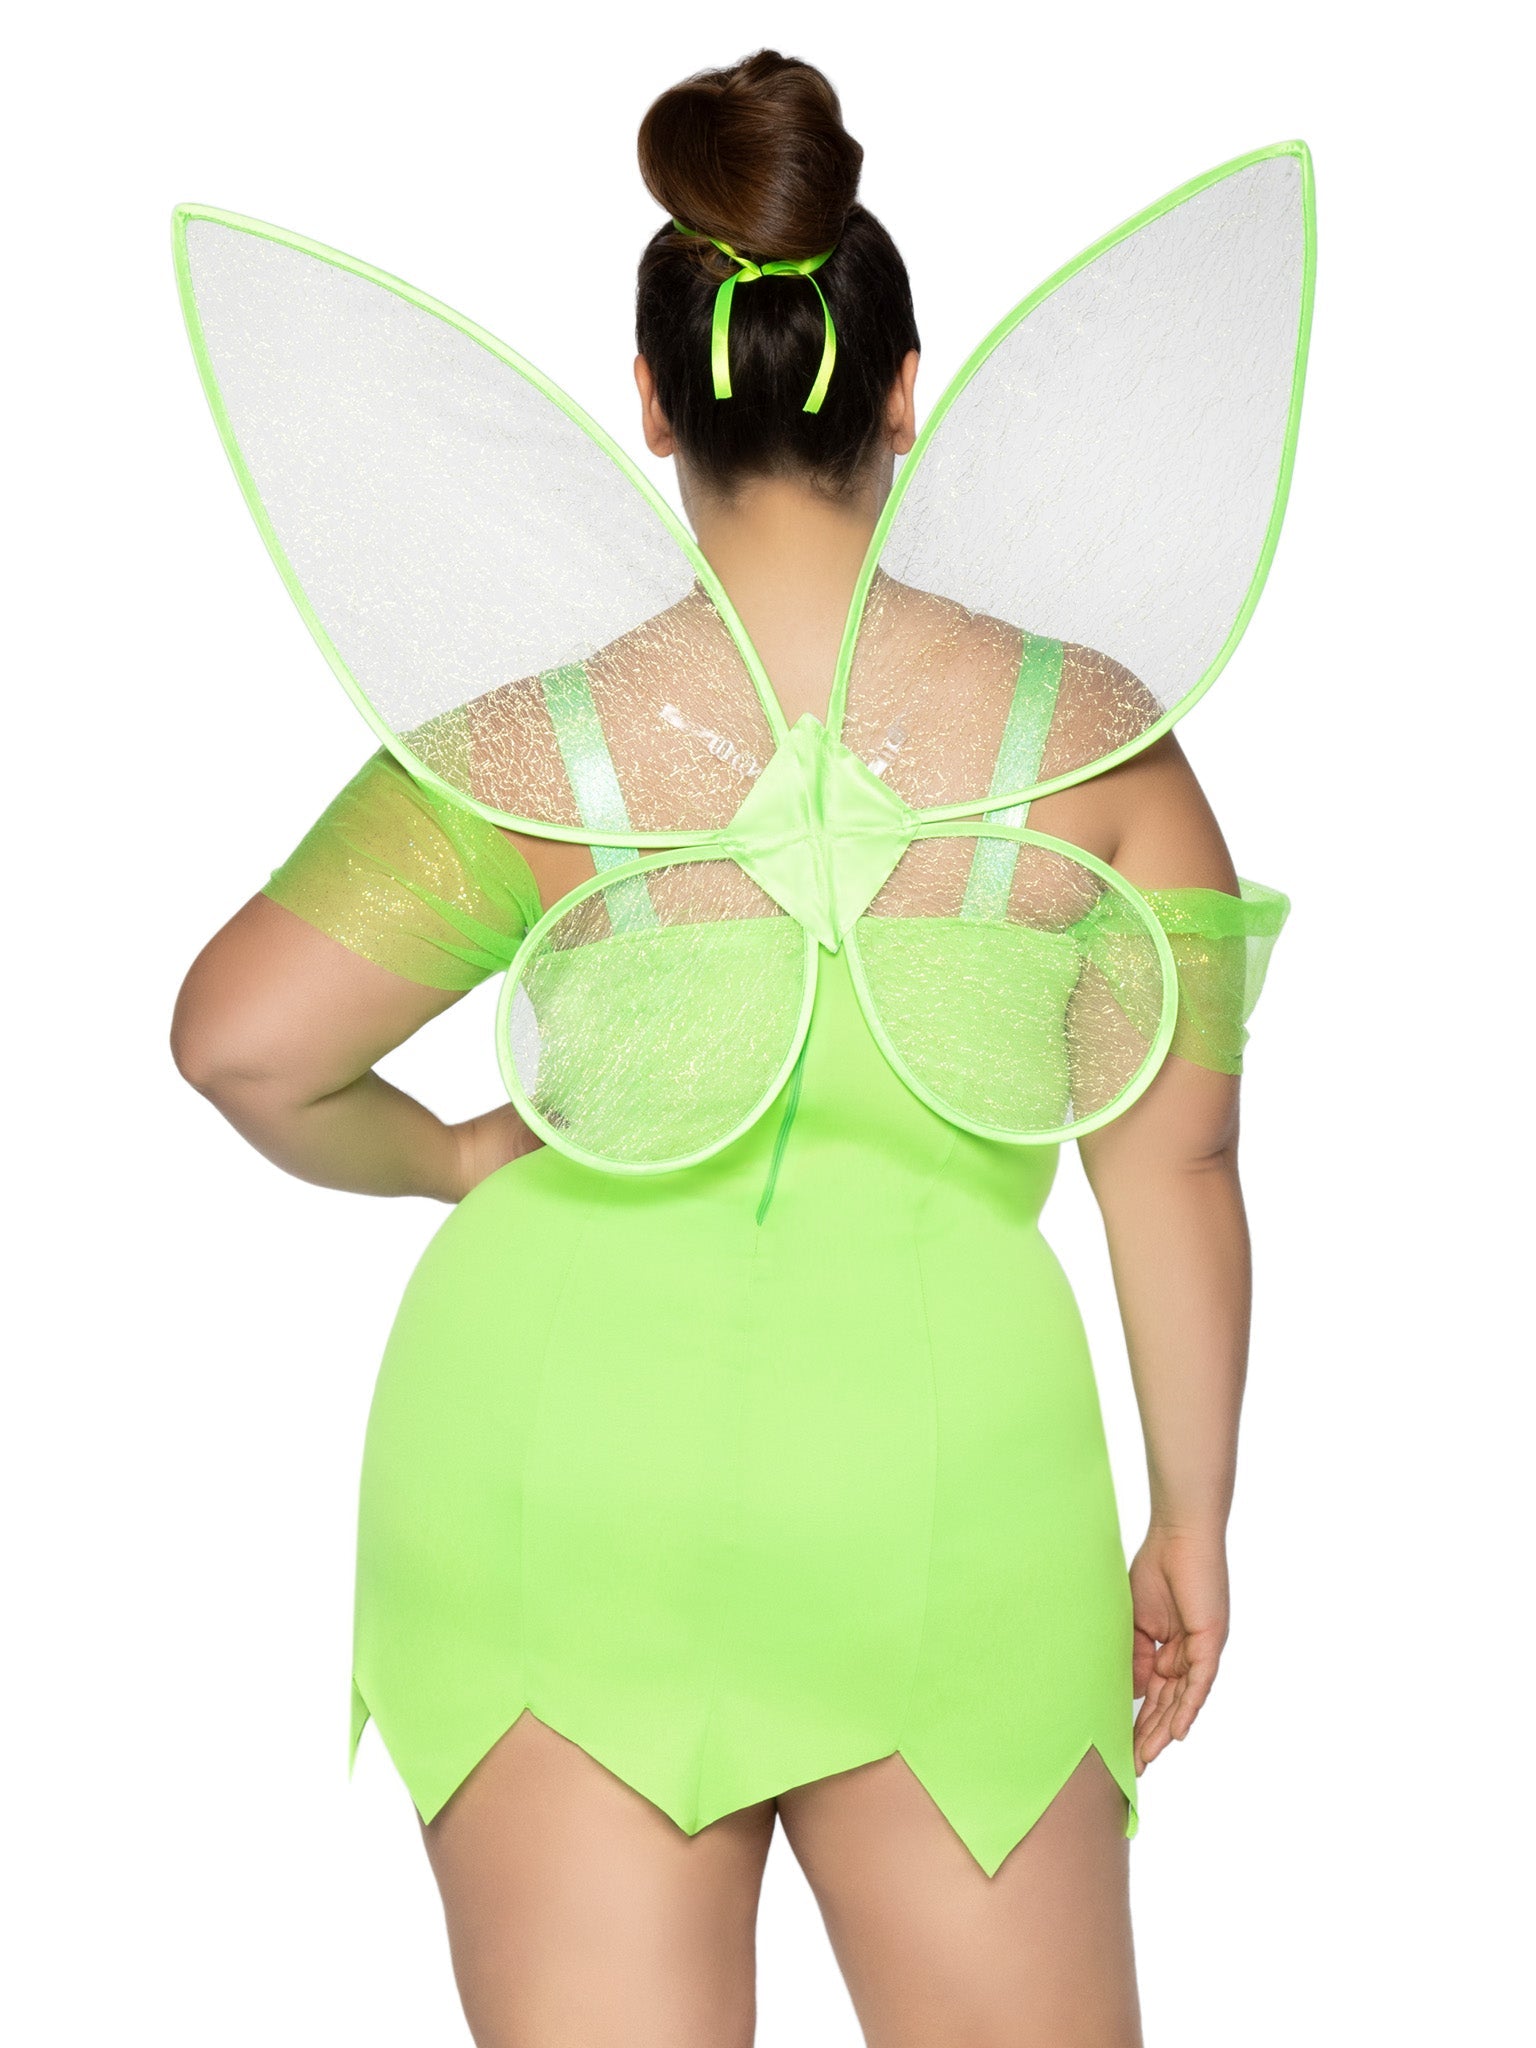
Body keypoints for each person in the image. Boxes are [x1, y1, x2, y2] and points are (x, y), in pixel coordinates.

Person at [171, 49, 1306, 2048]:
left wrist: (452, 1154)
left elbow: (243, 1043)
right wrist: (1192, 1517)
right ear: (903, 391)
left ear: (651, 403)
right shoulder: (1095, 742)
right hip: (944, 1493)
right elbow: (1178, 1169)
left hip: (555, 1486)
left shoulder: (542, 746)